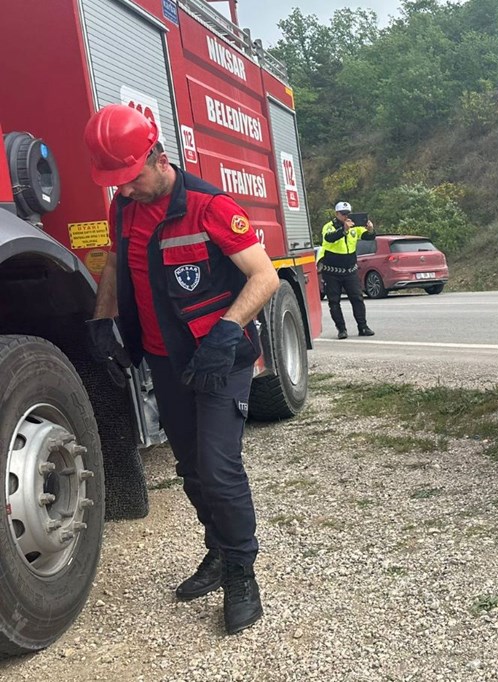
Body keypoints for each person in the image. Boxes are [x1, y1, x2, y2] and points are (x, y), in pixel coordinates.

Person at [82, 104, 276, 635]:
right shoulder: (123, 208)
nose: (125, 190)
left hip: (219, 359)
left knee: (217, 467)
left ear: (158, 156)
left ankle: (241, 572)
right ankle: (217, 553)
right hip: (167, 362)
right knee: (190, 469)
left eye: (132, 178)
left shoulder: (210, 206)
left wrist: (228, 330)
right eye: (116, 183)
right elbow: (115, 265)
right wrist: (103, 320)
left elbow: (265, 278)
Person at [320, 201, 375, 339]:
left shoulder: (354, 227)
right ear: (336, 213)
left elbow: (369, 237)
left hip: (350, 270)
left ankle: (363, 327)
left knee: (357, 299)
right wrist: (343, 230)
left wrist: (370, 230)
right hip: (332, 271)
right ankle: (341, 329)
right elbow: (329, 238)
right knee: (334, 301)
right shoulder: (329, 226)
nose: (345, 216)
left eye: (347, 214)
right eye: (343, 214)